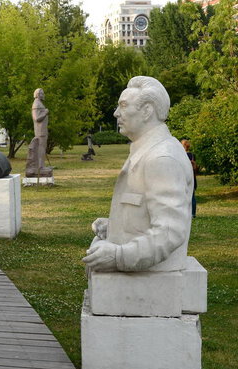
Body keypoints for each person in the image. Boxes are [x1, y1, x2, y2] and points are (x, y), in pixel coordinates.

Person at [82, 76, 193, 273]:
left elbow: (170, 232)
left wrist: (119, 256)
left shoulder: (162, 158)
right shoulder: (146, 149)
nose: (116, 113)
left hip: (155, 275)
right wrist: (116, 226)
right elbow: (147, 211)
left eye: (123, 106)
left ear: (147, 111)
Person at [26, 88, 49, 177]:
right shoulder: (36, 104)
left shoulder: (39, 103)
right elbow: (37, 118)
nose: (44, 95)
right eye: (42, 94)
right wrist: (45, 112)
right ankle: (39, 167)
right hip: (40, 130)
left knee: (42, 148)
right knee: (40, 148)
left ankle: (41, 166)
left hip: (43, 130)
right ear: (38, 94)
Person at [182, 139, 197, 217]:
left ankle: (185, 212)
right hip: (192, 177)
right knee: (192, 196)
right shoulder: (192, 155)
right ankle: (193, 213)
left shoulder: (181, 155)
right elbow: (195, 168)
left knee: (183, 196)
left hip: (184, 177)